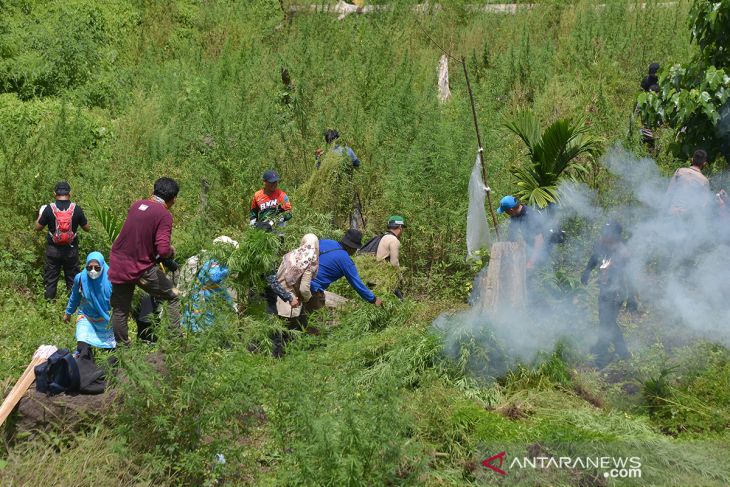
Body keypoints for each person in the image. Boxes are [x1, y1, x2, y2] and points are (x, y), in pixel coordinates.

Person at [108, 177, 181, 345]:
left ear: (153, 191)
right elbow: (162, 250)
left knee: (120, 309)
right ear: (173, 199)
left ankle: (123, 353)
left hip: (118, 262)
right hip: (140, 267)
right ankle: (175, 342)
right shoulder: (164, 214)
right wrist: (171, 252)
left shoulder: (136, 205)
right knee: (173, 296)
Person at [581, 222, 631, 368]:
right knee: (606, 321)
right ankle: (622, 352)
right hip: (605, 290)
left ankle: (601, 359)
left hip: (616, 293)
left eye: (607, 233)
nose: (603, 236)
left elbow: (630, 277)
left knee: (607, 325)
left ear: (615, 236)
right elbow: (595, 257)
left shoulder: (622, 252)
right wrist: (587, 270)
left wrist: (632, 299)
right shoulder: (603, 244)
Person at [35, 181, 90, 299]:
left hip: (53, 251)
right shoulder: (77, 208)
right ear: (69, 193)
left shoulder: (49, 209)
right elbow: (87, 228)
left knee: (50, 280)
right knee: (73, 280)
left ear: (55, 193)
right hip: (71, 251)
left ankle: (49, 308)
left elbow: (37, 227)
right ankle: (73, 309)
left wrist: (41, 213)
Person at [269, 234, 320, 357]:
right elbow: (304, 288)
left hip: (277, 294)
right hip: (292, 300)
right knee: (288, 334)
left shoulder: (290, 255)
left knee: (275, 332)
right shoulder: (308, 261)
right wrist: (308, 299)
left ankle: (273, 358)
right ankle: (283, 360)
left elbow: (277, 276)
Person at [308, 229, 382, 310]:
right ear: (352, 247)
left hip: (300, 279)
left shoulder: (326, 241)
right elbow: (358, 284)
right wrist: (373, 299)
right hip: (313, 288)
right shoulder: (345, 260)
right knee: (317, 315)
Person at [181, 236, 238, 332]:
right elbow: (214, 276)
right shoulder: (211, 260)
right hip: (203, 298)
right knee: (202, 324)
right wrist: (230, 269)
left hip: (212, 296)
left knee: (213, 323)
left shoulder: (217, 260)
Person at [64, 251, 115, 355]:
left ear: (102, 266)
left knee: (111, 354)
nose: (93, 271)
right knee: (83, 349)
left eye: (97, 268)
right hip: (86, 318)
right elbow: (75, 296)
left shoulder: (112, 279)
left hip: (106, 320)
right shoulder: (81, 278)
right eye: (89, 267)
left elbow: (120, 301)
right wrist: (68, 312)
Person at [497, 195, 546, 270]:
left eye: (505, 211)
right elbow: (512, 235)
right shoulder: (515, 215)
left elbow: (540, 240)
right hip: (531, 246)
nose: (506, 213)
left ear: (511, 210)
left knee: (538, 272)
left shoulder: (530, 216)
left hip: (544, 247)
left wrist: (531, 262)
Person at [665, 149, 712, 215]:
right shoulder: (704, 181)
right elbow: (703, 205)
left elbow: (669, 193)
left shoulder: (679, 171)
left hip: (672, 212)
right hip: (687, 218)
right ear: (704, 163)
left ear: (692, 160)